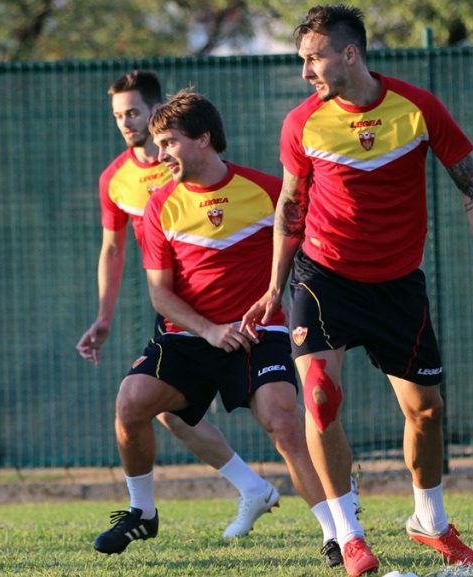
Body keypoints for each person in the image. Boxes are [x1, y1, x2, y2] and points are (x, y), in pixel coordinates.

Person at [243, 5, 473, 575]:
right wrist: (272, 287)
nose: (305, 71)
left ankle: (430, 521)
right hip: (323, 279)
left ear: (349, 54)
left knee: (428, 413)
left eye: (314, 58)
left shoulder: (418, 107)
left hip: (397, 286)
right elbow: (290, 207)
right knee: (319, 396)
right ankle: (349, 535)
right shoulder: (301, 123)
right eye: (301, 60)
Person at [92, 88, 344, 567]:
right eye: (158, 144)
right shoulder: (159, 205)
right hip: (190, 337)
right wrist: (208, 330)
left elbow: (314, 247)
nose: (160, 154)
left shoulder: (268, 190)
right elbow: (160, 295)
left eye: (169, 142)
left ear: (203, 139)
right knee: (132, 401)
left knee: (283, 420)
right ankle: (142, 511)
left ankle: (339, 534)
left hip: (260, 333)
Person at [77, 71, 278, 540]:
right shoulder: (116, 179)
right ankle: (249, 488)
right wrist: (104, 316)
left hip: (239, 303)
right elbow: (112, 249)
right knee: (157, 406)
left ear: (156, 113)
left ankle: (330, 492)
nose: (126, 123)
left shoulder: (205, 166)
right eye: (118, 115)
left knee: (280, 407)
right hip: (174, 304)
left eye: (133, 112)